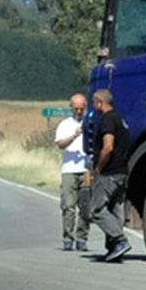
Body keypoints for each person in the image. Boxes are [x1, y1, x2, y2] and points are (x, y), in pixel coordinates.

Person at [89, 88, 132, 262]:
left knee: (97, 209)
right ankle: (114, 248)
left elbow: (108, 147)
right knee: (115, 211)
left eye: (94, 102)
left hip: (109, 173)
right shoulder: (121, 120)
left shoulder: (107, 120)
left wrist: (98, 168)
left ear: (100, 102)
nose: (94, 106)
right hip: (122, 172)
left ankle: (120, 240)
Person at [54, 93, 91, 250]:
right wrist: (74, 135)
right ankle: (68, 238)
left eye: (81, 109)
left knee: (85, 206)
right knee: (68, 205)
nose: (78, 112)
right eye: (75, 109)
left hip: (86, 170)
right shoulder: (65, 124)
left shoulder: (91, 123)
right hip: (69, 169)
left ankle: (81, 238)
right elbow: (60, 144)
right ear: (71, 108)